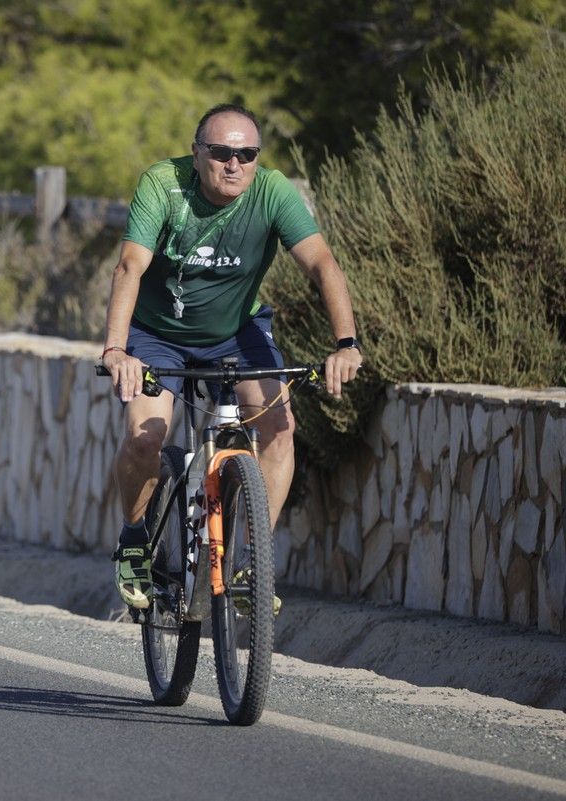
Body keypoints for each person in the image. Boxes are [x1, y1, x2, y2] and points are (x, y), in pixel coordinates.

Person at [102, 103, 362, 610]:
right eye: (221, 152)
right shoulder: (164, 184)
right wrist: (116, 348)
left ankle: (251, 561)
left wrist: (346, 344)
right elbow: (130, 266)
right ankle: (134, 540)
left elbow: (322, 264)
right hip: (157, 334)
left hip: (236, 332)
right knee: (145, 437)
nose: (234, 164)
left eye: (247, 154)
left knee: (279, 428)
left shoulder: (272, 191)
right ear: (197, 153)